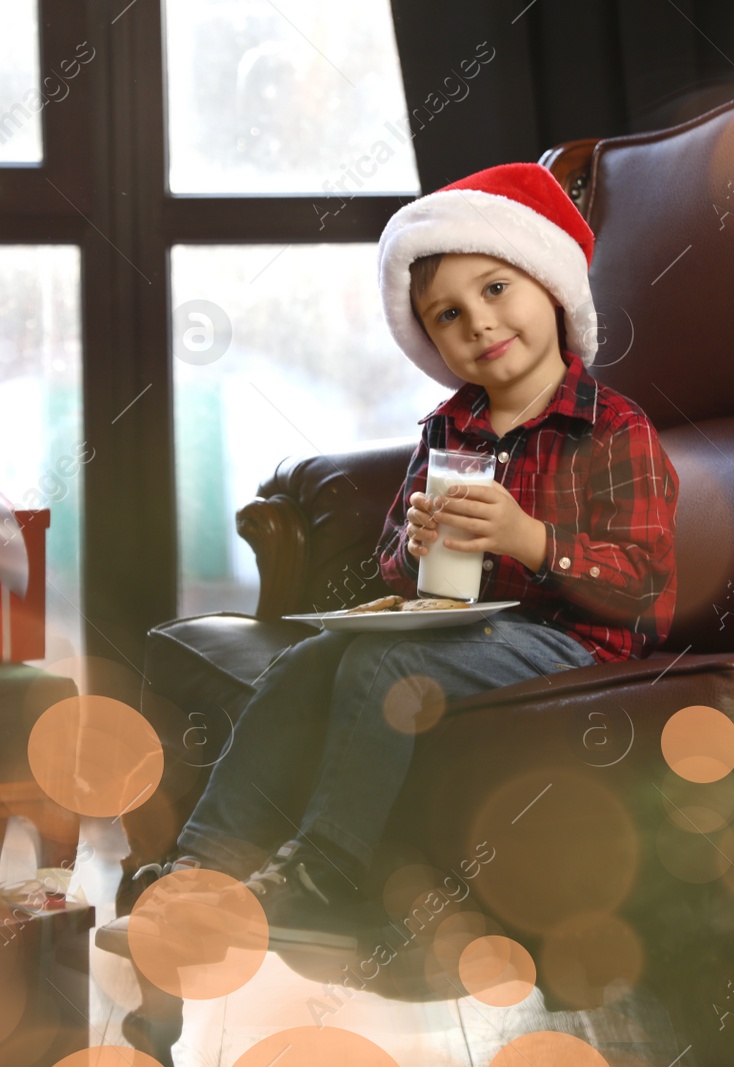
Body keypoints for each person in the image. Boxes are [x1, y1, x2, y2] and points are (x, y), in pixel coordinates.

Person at [126, 161, 679, 952]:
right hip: (460, 629)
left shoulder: (614, 430)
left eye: (496, 290)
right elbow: (393, 562)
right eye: (448, 315)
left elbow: (646, 590)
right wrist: (415, 547)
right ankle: (198, 870)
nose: (479, 324)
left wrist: (531, 540)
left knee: (384, 672)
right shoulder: (449, 430)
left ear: (550, 286)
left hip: (576, 642)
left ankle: (324, 873)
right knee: (314, 658)